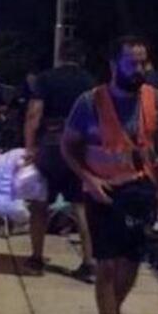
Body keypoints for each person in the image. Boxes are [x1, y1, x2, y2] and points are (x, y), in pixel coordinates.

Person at [60, 35, 158, 314]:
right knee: (106, 266)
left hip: (140, 192)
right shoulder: (90, 103)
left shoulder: (156, 103)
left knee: (130, 265)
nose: (141, 69)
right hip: (102, 193)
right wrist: (87, 178)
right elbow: (68, 147)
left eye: (145, 62)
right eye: (133, 63)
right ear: (114, 65)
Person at [23, 40, 97, 280]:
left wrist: (30, 146)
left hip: (51, 144)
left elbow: (34, 114)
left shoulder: (45, 79)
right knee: (81, 206)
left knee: (40, 203)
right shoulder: (91, 83)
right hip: (80, 148)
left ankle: (36, 258)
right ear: (81, 58)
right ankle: (88, 263)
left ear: (60, 56)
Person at [0, 119, 31, 235]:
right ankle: (16, 225)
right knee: (33, 220)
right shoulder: (20, 152)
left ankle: (1, 219)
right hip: (15, 206)